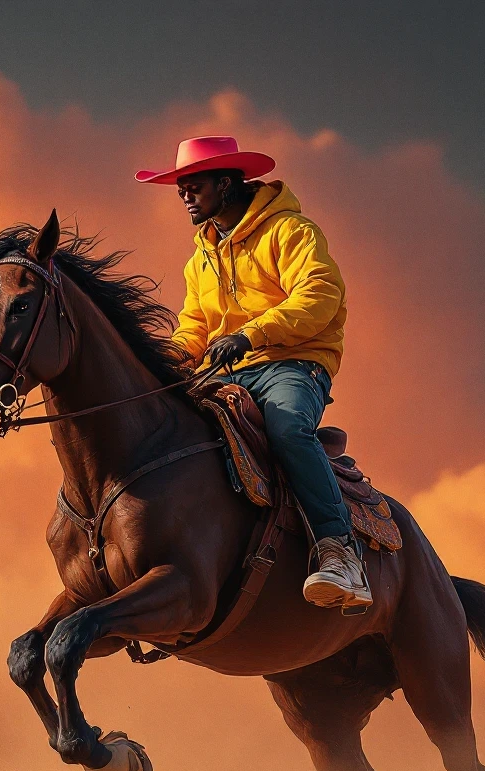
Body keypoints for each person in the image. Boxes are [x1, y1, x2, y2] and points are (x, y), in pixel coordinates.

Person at [136, 136, 371, 609]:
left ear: (225, 183)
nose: (184, 195)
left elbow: (320, 294)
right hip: (227, 369)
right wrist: (165, 361)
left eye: (193, 185)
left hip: (294, 363)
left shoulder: (291, 231)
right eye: (180, 187)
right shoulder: (199, 258)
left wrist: (252, 335)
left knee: (287, 429)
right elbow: (195, 326)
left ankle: (341, 553)